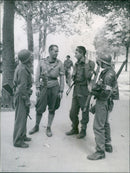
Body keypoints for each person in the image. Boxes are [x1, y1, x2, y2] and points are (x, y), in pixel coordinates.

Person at [87, 55, 119, 160]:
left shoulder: (108, 75)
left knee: (98, 126)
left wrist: (93, 91)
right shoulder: (107, 72)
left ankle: (100, 151)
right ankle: (107, 144)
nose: (98, 63)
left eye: (99, 62)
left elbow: (105, 93)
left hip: (103, 101)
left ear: (103, 62)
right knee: (105, 124)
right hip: (105, 101)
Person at [29, 45, 64, 137]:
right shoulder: (42, 62)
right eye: (55, 51)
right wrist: (37, 88)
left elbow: (62, 77)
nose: (57, 53)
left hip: (54, 87)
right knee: (39, 107)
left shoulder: (60, 63)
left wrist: (61, 91)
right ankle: (36, 126)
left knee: (52, 108)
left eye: (57, 51)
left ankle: (48, 127)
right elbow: (37, 75)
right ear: (50, 51)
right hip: (43, 86)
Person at [66, 46, 95, 139]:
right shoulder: (76, 64)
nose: (74, 55)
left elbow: (87, 76)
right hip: (76, 89)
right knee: (72, 112)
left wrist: (86, 64)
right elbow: (73, 77)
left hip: (85, 90)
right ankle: (75, 128)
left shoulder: (90, 63)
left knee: (84, 111)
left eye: (76, 53)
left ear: (82, 53)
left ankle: (83, 130)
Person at [13, 49, 33, 148]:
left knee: (24, 116)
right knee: (20, 118)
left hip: (22, 94)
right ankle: (17, 140)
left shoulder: (23, 67)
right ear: (27, 59)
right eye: (30, 57)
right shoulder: (23, 70)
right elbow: (22, 88)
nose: (32, 58)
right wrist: (27, 100)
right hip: (22, 96)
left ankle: (22, 135)